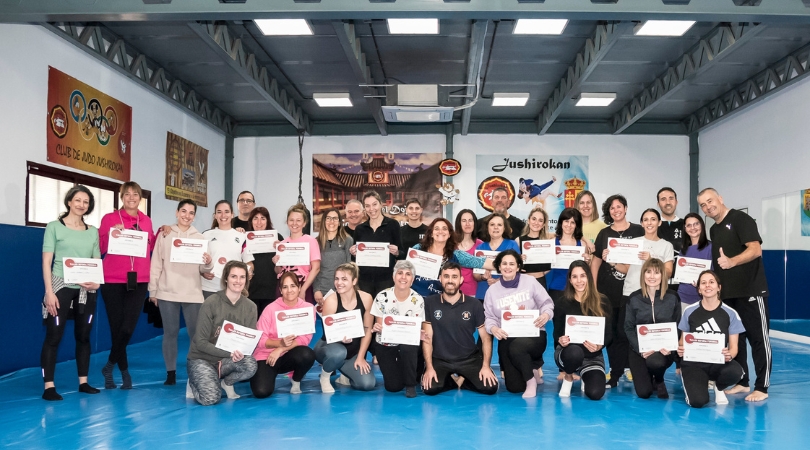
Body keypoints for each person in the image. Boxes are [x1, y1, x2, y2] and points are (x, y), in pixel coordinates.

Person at [697, 187, 770, 402]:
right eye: (703, 205)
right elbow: (719, 265)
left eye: (710, 201)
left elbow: (755, 249)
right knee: (735, 339)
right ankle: (743, 381)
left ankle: (762, 387)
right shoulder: (714, 230)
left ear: (720, 198)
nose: (708, 206)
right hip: (728, 295)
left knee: (759, 339)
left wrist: (732, 261)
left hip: (751, 291)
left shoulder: (741, 219)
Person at [40, 186, 102, 401]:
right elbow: (47, 261)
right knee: (54, 336)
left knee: (83, 336)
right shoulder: (54, 227)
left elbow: (96, 261)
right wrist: (49, 292)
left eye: (85, 202)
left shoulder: (92, 231)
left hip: (86, 290)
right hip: (60, 287)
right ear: (69, 202)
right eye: (77, 200)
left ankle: (83, 382)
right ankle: (49, 386)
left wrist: (97, 284)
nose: (81, 205)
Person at [148, 199, 214, 387]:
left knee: (195, 335)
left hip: (193, 292)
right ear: (177, 212)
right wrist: (153, 290)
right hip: (167, 292)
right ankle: (171, 373)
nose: (187, 215)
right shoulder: (165, 234)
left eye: (191, 212)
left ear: (194, 216)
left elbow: (205, 267)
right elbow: (156, 264)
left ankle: (196, 370)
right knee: (170, 333)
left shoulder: (200, 238)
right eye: (183, 211)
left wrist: (208, 261)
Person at [98, 181, 155, 390]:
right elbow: (100, 247)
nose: (131, 197)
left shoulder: (147, 221)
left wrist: (165, 231)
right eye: (127, 194)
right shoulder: (109, 219)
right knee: (116, 328)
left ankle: (109, 365)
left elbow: (152, 245)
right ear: (122, 197)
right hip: (112, 280)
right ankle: (123, 372)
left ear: (140, 198)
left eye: (135, 194)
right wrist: (111, 233)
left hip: (138, 280)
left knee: (128, 327)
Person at [590, 194, 645, 388]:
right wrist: (594, 288)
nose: (616, 210)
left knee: (628, 330)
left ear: (626, 208)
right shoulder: (604, 234)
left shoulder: (639, 230)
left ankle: (631, 367)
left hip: (633, 290)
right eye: (612, 208)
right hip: (608, 291)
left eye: (619, 206)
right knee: (612, 331)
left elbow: (643, 260)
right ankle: (615, 370)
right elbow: (596, 262)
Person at [484, 249, 554, 398]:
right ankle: (532, 369)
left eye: (512, 264)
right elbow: (489, 317)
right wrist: (494, 328)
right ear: (499, 266)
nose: (508, 267)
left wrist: (546, 315)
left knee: (518, 348)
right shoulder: (492, 291)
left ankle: (531, 381)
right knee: (514, 387)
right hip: (508, 337)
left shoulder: (530, 281)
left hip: (534, 334)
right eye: (504, 263)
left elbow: (547, 303)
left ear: (518, 267)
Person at [187, 261, 258, 405]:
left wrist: (241, 352)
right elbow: (200, 342)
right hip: (202, 358)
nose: (238, 281)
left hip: (226, 360)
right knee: (211, 399)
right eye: (233, 276)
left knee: (250, 365)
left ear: (246, 279)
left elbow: (249, 342)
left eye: (242, 277)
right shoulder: (211, 303)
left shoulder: (251, 307)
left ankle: (226, 382)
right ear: (226, 278)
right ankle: (194, 381)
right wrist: (229, 353)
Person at [422, 262, 499, 396]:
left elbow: (486, 338)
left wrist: (486, 366)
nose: (450, 281)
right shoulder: (429, 303)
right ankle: (451, 381)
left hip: (469, 359)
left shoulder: (474, 304)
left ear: (461, 280)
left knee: (490, 387)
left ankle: (464, 381)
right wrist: (429, 367)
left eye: (454, 277)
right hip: (440, 359)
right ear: (440, 279)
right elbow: (427, 338)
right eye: (446, 276)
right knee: (429, 389)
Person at [678, 270, 745, 408]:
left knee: (736, 372)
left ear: (719, 287)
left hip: (717, 362)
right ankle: (699, 383)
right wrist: (682, 348)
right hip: (694, 364)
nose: (707, 285)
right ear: (699, 289)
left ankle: (719, 387)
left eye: (711, 282)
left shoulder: (730, 313)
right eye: (703, 283)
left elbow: (734, 348)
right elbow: (682, 341)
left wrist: (729, 355)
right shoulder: (689, 311)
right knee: (697, 402)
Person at [250, 271, 318, 398]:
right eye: (285, 287)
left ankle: (296, 380)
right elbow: (260, 339)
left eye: (293, 286)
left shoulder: (308, 308)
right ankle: (269, 373)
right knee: (261, 392)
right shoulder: (270, 309)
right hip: (267, 355)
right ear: (280, 290)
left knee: (307, 354)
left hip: (289, 354)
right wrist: (278, 344)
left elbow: (305, 338)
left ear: (299, 288)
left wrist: (280, 349)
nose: (289, 290)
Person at [553, 260, 611, 399]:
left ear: (589, 278)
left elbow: (609, 333)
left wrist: (599, 346)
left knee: (596, 394)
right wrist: (561, 339)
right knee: (574, 352)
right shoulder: (562, 302)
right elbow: (557, 332)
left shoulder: (602, 301)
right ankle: (568, 377)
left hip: (592, 355)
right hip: (568, 353)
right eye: (574, 276)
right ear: (570, 280)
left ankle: (585, 375)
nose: (579, 281)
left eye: (583, 276)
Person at [625, 258, 681, 399]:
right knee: (644, 393)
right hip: (639, 350)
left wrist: (671, 346)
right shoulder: (634, 298)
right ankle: (650, 376)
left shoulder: (672, 297)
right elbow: (628, 327)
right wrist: (640, 348)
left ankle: (659, 379)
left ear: (662, 275)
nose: (652, 276)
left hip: (663, 351)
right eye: (648, 272)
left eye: (656, 273)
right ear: (643, 274)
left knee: (656, 362)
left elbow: (678, 325)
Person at [315, 263, 376, 392]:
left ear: (354, 281)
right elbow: (327, 333)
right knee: (339, 352)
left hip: (352, 352)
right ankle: (325, 377)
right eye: (336, 279)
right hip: (328, 347)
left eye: (344, 279)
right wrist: (339, 338)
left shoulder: (366, 298)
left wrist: (360, 357)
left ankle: (344, 375)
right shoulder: (331, 301)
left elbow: (367, 330)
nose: (339, 283)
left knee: (367, 384)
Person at [370, 261, 425, 397]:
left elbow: (416, 329)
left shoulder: (418, 300)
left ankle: (411, 384)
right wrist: (378, 327)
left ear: (412, 279)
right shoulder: (382, 297)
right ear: (394, 277)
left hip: (407, 344)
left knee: (409, 346)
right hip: (386, 343)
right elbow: (380, 325)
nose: (403, 277)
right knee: (393, 387)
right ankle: (404, 370)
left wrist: (419, 333)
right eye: (400, 273)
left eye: (408, 274)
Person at [409, 218, 493, 298]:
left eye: (444, 228)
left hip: (440, 304)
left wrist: (504, 264)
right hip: (415, 300)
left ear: (449, 234)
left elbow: (479, 262)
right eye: (437, 228)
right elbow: (405, 269)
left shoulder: (456, 254)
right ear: (431, 233)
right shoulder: (418, 249)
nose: (440, 231)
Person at [350, 191, 401, 297]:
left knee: (383, 312)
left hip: (386, 280)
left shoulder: (393, 225)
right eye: (367, 206)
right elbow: (354, 259)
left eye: (374, 204)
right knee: (366, 312)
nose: (371, 209)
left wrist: (397, 252)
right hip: (364, 281)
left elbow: (402, 253)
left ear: (381, 204)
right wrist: (354, 253)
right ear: (364, 208)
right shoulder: (360, 229)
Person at [201, 200, 254, 299]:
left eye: (226, 211)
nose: (223, 215)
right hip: (209, 287)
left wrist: (249, 271)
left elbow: (249, 263)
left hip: (233, 289)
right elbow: (199, 261)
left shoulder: (241, 236)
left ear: (232, 214)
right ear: (215, 215)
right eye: (219, 212)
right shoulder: (205, 235)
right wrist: (202, 272)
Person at [272, 203, 321, 304]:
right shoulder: (282, 244)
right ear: (287, 222)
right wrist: (276, 263)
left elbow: (316, 268)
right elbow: (278, 271)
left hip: (303, 285)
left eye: (298, 220)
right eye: (291, 220)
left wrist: (303, 289)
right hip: (283, 286)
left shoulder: (311, 241)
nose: (294, 223)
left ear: (304, 223)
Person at [245, 206, 283, 317]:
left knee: (269, 326)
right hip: (251, 291)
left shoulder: (277, 238)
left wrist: (280, 249)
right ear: (251, 221)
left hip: (271, 291)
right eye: (255, 218)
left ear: (268, 221)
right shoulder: (246, 239)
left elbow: (283, 266)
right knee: (253, 325)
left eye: (263, 218)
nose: (259, 222)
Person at [474, 213, 520, 300]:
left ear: (504, 228)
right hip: (483, 294)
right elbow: (476, 274)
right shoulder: (480, 247)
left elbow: (517, 272)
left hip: (506, 296)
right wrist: (482, 277)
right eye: (492, 224)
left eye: (499, 225)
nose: (496, 227)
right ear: (487, 228)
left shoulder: (512, 245)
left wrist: (499, 281)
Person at [313, 208, 353, 306]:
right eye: (328, 218)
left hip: (342, 290)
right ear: (324, 221)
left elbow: (349, 270)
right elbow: (314, 269)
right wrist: (316, 289)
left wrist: (347, 290)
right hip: (322, 291)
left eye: (335, 218)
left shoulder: (348, 240)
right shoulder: (316, 242)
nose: (332, 221)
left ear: (339, 222)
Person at [677, 213, 713, 310]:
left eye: (696, 224)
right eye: (689, 225)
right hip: (683, 297)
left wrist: (702, 281)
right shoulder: (683, 250)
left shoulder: (711, 248)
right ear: (685, 228)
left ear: (702, 225)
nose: (693, 228)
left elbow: (715, 275)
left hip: (705, 298)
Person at [515, 206, 552, 290]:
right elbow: (512, 264)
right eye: (534, 219)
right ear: (528, 221)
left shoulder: (547, 242)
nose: (536, 222)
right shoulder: (518, 241)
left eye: (540, 220)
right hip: (523, 282)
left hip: (541, 281)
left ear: (543, 225)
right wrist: (518, 261)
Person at [454, 209, 482, 297]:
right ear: (459, 223)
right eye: (464, 221)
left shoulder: (480, 245)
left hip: (473, 293)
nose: (467, 224)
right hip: (453, 292)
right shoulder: (451, 244)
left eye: (470, 220)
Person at [656, 187, 684, 256]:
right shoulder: (652, 226)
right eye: (663, 199)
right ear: (658, 204)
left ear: (676, 202)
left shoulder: (686, 225)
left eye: (671, 198)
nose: (668, 202)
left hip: (682, 265)